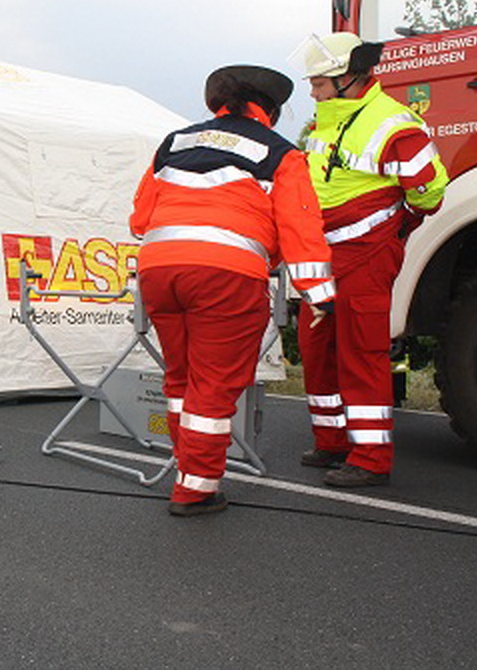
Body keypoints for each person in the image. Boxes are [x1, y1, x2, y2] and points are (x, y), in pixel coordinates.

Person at [129, 65, 336, 516]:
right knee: (215, 386)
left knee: (182, 380)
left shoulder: (175, 143)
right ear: (270, 110)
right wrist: (320, 294)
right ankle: (195, 489)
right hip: (227, 274)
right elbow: (301, 228)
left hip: (160, 270)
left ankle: (188, 468)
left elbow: (140, 219)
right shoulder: (281, 154)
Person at [292, 33, 448, 487]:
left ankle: (371, 457)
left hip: (366, 252)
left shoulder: (394, 122)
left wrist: (397, 224)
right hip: (323, 253)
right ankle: (332, 441)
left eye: (320, 83)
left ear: (349, 78)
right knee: (317, 347)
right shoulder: (328, 120)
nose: (313, 92)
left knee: (361, 350)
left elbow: (430, 190)